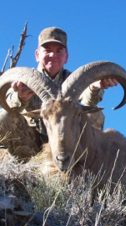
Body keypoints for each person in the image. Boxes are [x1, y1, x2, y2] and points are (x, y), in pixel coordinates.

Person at [0, 26, 117, 159]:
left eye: (59, 51)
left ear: (66, 57)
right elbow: (6, 101)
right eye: (47, 50)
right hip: (32, 144)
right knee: (4, 117)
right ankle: (26, 163)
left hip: (66, 141)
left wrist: (94, 88)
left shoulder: (76, 81)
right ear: (37, 55)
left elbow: (85, 102)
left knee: (95, 114)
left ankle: (85, 161)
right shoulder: (24, 79)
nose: (53, 55)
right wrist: (19, 97)